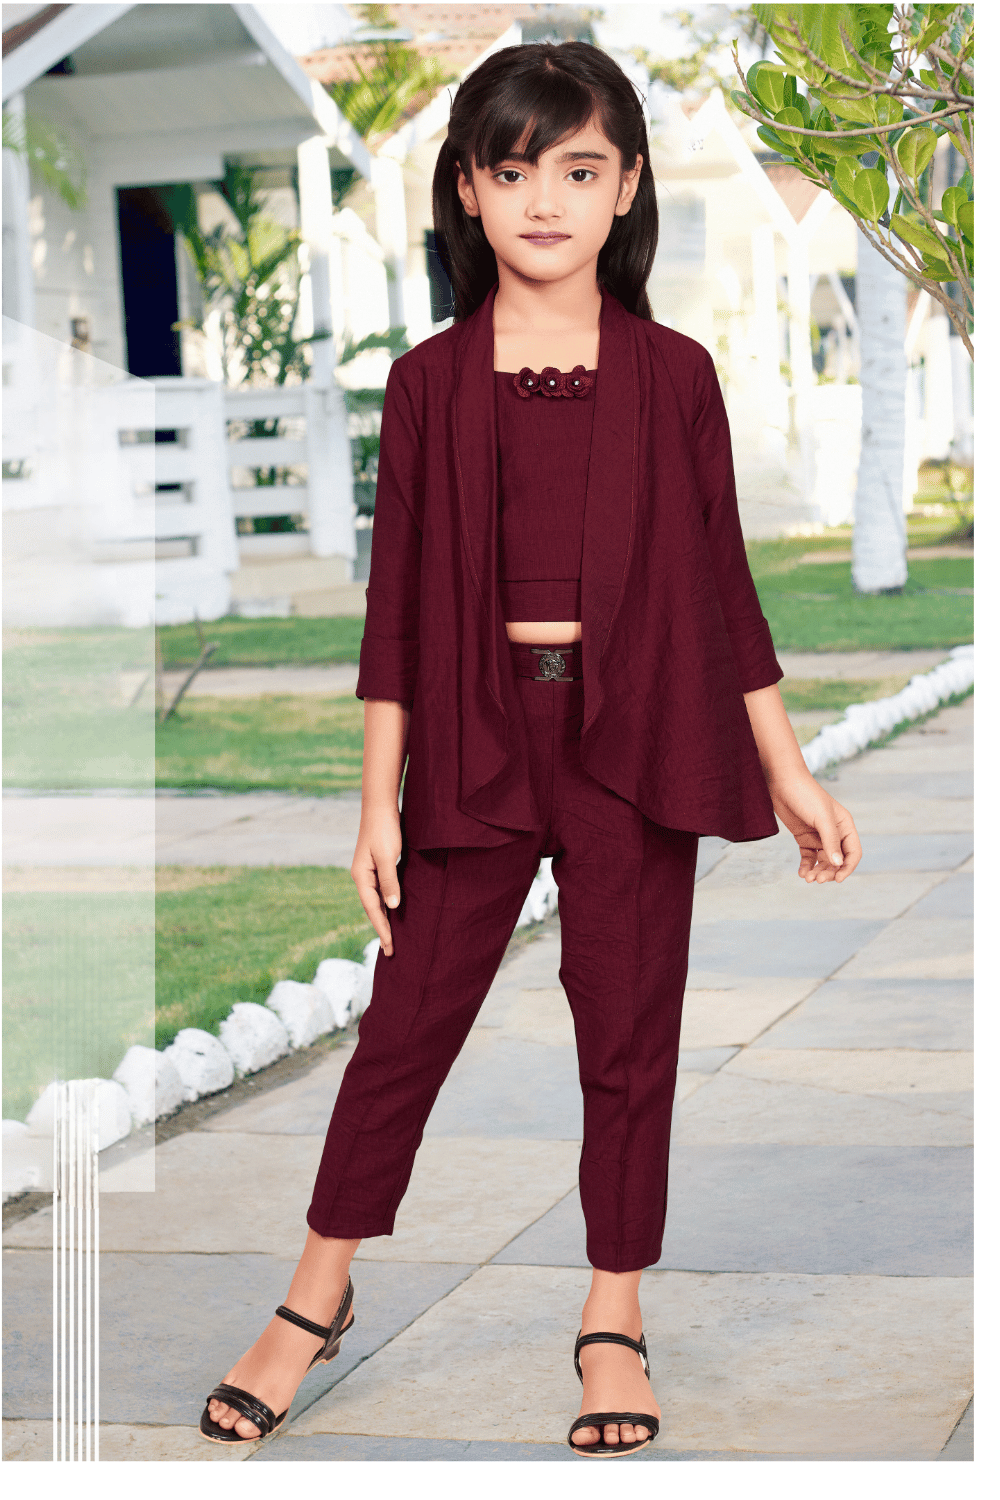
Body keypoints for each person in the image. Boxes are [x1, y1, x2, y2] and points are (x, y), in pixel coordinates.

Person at [201, 40, 862, 1457]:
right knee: (405, 1029)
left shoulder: (674, 377)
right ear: (466, 190)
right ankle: (314, 1299)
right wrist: (377, 801)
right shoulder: (429, 383)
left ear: (627, 187)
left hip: (635, 742)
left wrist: (786, 766)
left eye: (578, 169)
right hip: (475, 741)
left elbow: (722, 587)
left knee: (627, 1038)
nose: (544, 200)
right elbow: (394, 612)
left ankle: (612, 1317)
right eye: (512, 172)